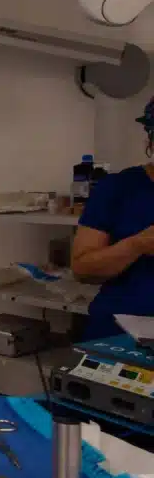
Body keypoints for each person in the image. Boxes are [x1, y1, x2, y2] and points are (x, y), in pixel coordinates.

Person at [72, 97, 154, 339]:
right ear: (150, 138)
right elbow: (82, 268)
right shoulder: (118, 188)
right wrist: (136, 245)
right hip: (120, 334)